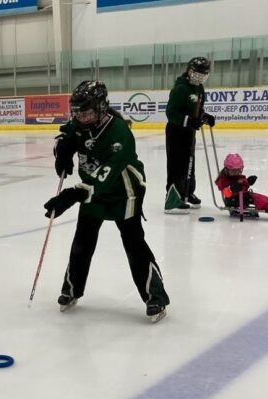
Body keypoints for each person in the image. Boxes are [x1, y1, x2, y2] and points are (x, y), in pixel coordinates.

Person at [47, 80, 170, 323]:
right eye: (77, 113)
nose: (81, 117)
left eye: (87, 112)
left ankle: (156, 297)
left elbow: (105, 176)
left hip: (124, 192)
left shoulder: (119, 134)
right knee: (82, 242)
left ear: (102, 108)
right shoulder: (81, 122)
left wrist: (72, 195)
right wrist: (62, 149)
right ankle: (71, 289)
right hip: (91, 191)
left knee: (134, 246)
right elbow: (65, 132)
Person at [164, 56, 216, 214]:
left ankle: (187, 193)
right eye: (196, 73)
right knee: (177, 165)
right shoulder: (180, 88)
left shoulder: (199, 89)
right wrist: (188, 121)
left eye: (203, 74)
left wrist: (204, 117)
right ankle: (172, 199)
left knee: (189, 164)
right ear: (189, 71)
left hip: (189, 132)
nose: (199, 77)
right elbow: (171, 113)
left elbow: (197, 110)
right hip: (176, 131)